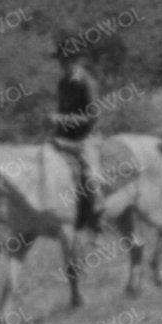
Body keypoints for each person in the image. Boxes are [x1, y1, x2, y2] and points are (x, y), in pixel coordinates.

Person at [50, 47, 104, 231]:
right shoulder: (63, 82)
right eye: (62, 60)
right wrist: (55, 124)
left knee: (90, 172)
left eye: (67, 60)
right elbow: (62, 109)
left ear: (76, 61)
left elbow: (93, 117)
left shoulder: (88, 83)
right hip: (64, 135)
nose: (63, 64)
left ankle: (98, 211)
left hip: (86, 136)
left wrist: (63, 119)